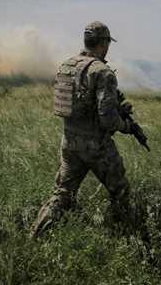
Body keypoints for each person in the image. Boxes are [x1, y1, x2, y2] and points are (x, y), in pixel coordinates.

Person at [30, 21, 133, 238]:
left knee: (63, 194)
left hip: (69, 142)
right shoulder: (102, 72)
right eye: (107, 43)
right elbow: (107, 119)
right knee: (120, 191)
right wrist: (126, 126)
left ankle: (36, 236)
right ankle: (122, 238)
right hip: (96, 146)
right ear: (104, 43)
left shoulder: (67, 65)